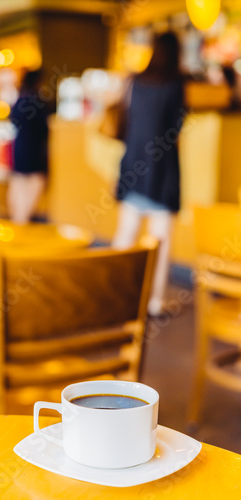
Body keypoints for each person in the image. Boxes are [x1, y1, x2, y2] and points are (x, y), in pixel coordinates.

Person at [112, 32, 185, 316]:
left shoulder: (134, 82)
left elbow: (124, 122)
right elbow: (176, 127)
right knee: (161, 240)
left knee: (125, 236)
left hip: (133, 166)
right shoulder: (175, 85)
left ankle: (113, 291)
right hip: (162, 171)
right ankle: (153, 301)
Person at [8, 69, 48, 223]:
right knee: (34, 183)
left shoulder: (19, 99)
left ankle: (17, 219)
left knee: (19, 182)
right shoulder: (36, 100)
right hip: (33, 147)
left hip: (19, 145)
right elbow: (43, 126)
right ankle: (22, 219)